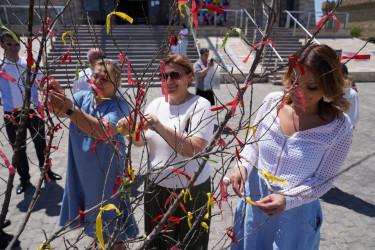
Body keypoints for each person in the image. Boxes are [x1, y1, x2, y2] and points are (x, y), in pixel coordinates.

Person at [224, 44, 353, 249]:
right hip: (254, 201)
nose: (300, 93)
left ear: (329, 86)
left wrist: (288, 199)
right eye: (294, 82)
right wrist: (241, 167)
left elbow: (323, 180)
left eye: (311, 87)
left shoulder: (339, 127)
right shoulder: (271, 103)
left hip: (296, 213)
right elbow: (252, 144)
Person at [117, 54, 214, 249]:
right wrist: (129, 132)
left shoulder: (200, 105)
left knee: (188, 243)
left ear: (189, 76)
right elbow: (142, 141)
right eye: (164, 76)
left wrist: (159, 126)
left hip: (190, 192)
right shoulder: (156, 104)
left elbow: (193, 149)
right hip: (156, 189)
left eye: (175, 75)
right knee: (157, 243)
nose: (168, 80)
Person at [50, 59, 138, 249]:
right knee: (94, 214)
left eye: (104, 79)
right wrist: (53, 95)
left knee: (110, 219)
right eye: (95, 76)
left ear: (116, 84)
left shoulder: (120, 106)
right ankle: (101, 243)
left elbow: (102, 131)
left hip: (107, 171)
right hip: (83, 170)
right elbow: (60, 111)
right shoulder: (82, 97)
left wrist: (69, 108)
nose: (97, 81)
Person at [0, 31, 62, 195]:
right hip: (12, 115)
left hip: (33, 111)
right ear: (2, 45)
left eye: (15, 43)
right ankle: (24, 180)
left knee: (41, 144)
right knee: (18, 149)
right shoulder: (1, 68)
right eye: (9, 44)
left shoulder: (29, 64)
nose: (13, 47)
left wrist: (48, 87)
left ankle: (47, 172)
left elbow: (42, 81)